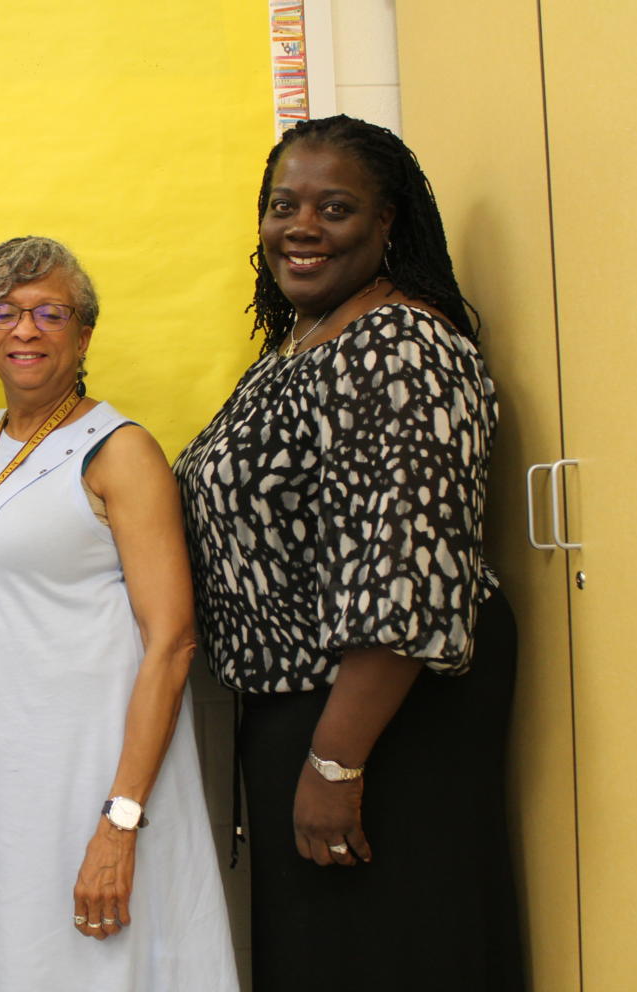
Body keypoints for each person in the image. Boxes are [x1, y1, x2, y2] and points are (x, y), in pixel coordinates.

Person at [173, 114, 524, 991]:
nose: (302, 225)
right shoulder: (303, 343)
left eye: (336, 207)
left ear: (387, 224)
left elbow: (406, 569)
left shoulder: (403, 348)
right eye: (282, 204)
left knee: (395, 950)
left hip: (380, 715)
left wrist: (335, 762)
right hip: (309, 711)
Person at [0, 237, 238, 991]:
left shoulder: (119, 452)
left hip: (85, 773)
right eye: (6, 312)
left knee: (88, 967)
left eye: (51, 312)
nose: (26, 328)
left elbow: (172, 643)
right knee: (6, 959)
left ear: (83, 335)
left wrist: (120, 819)